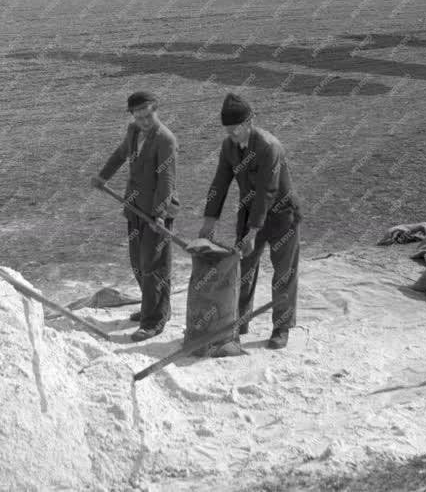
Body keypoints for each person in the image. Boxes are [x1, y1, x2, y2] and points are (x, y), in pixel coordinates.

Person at [199, 93, 302, 350]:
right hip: (249, 215)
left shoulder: (269, 146)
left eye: (236, 128)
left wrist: (253, 231)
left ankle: (282, 327)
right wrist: (209, 220)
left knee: (283, 273)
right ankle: (238, 320)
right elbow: (220, 182)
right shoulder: (228, 147)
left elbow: (267, 190)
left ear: (250, 121)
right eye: (228, 129)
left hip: (281, 216)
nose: (232, 134)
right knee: (243, 269)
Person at [91, 91, 179, 341]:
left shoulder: (166, 140)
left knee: (154, 266)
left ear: (155, 110)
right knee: (138, 263)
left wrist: (160, 215)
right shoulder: (133, 131)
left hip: (156, 211)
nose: (144, 120)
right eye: (139, 116)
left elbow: (167, 181)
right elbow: (121, 155)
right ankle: (157, 307)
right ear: (132, 116)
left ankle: (154, 321)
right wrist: (103, 176)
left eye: (148, 115)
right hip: (134, 207)